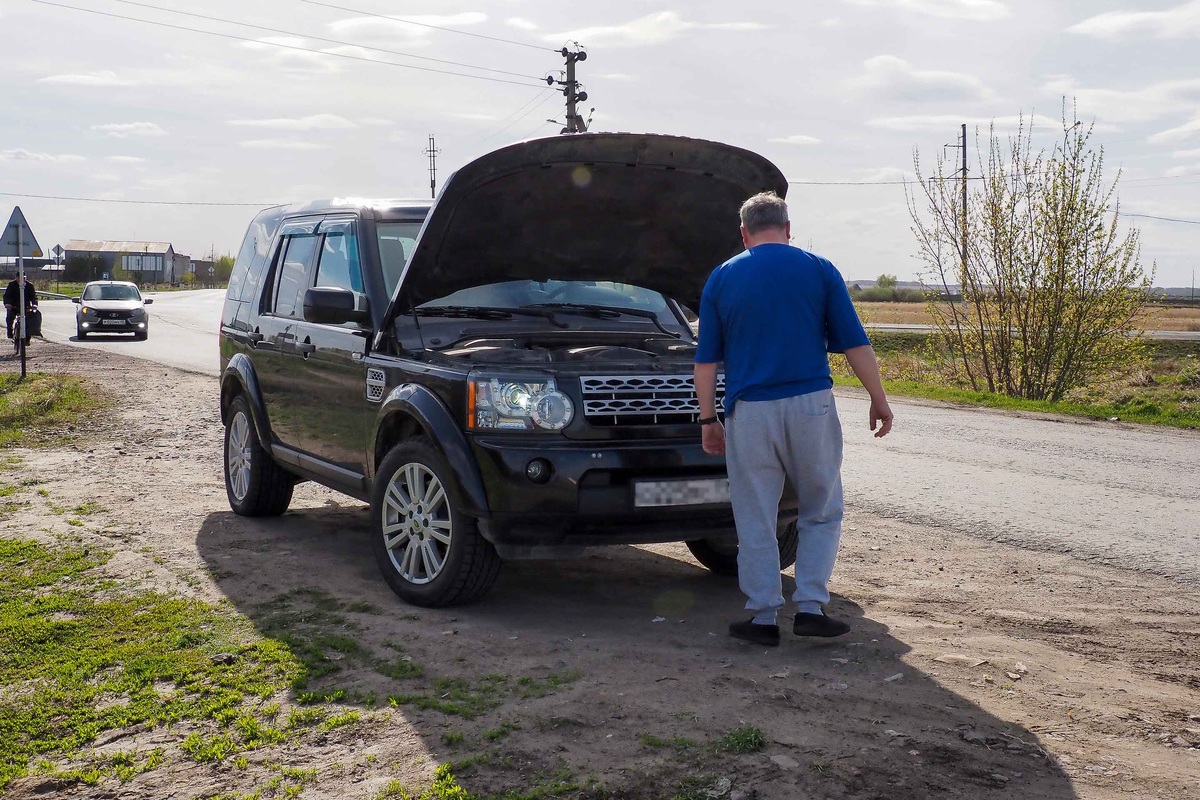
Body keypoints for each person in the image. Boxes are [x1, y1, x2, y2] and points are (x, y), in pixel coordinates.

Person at [693, 191, 893, 647]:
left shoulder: (723, 276)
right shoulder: (819, 269)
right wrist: (877, 398)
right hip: (810, 405)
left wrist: (708, 420)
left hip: (751, 411)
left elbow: (706, 363)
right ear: (788, 228)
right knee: (819, 508)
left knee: (756, 514)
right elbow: (856, 345)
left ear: (744, 233)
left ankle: (763, 616)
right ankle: (810, 606)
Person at [4, 273, 38, 341]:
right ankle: (10, 332)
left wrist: (34, 304)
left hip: (26, 307)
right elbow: (7, 295)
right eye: (20, 278)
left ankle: (28, 337)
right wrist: (7, 304)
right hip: (14, 306)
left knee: (31, 319)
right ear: (16, 278)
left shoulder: (29, 285)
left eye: (24, 278)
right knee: (10, 317)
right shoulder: (11, 285)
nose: (22, 279)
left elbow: (33, 296)